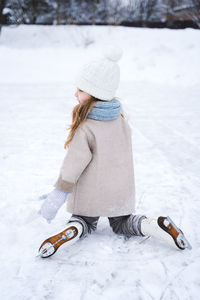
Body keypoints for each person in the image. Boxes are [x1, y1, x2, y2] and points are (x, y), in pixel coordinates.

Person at [37, 45, 192, 258]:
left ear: (95, 93)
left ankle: (74, 229)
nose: (75, 94)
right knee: (123, 224)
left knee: (84, 220)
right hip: (120, 193)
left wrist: (59, 192)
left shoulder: (87, 126)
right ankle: (152, 225)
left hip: (91, 194)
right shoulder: (121, 121)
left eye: (81, 90)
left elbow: (74, 164)